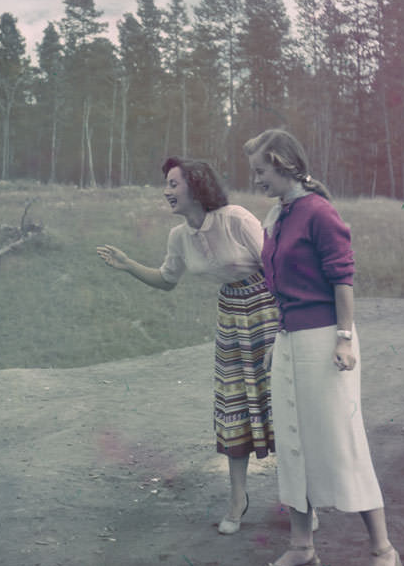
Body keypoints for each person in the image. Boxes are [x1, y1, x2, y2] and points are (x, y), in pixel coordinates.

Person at [244, 129, 403, 566]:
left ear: (283, 164)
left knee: (341, 442)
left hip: (326, 341)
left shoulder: (317, 211)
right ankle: (301, 548)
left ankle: (384, 554)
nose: (256, 181)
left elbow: (342, 278)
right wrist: (282, 335)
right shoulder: (280, 214)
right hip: (291, 339)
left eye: (261, 171)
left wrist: (345, 338)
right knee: (291, 443)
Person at [97, 157, 279, 534]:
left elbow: (278, 268)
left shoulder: (236, 219)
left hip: (268, 309)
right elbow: (166, 280)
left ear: (196, 186)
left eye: (173, 184)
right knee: (234, 405)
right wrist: (128, 264)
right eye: (166, 184)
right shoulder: (179, 237)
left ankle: (301, 499)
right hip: (231, 318)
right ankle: (237, 499)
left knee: (281, 403)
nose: (167, 191)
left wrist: (286, 327)